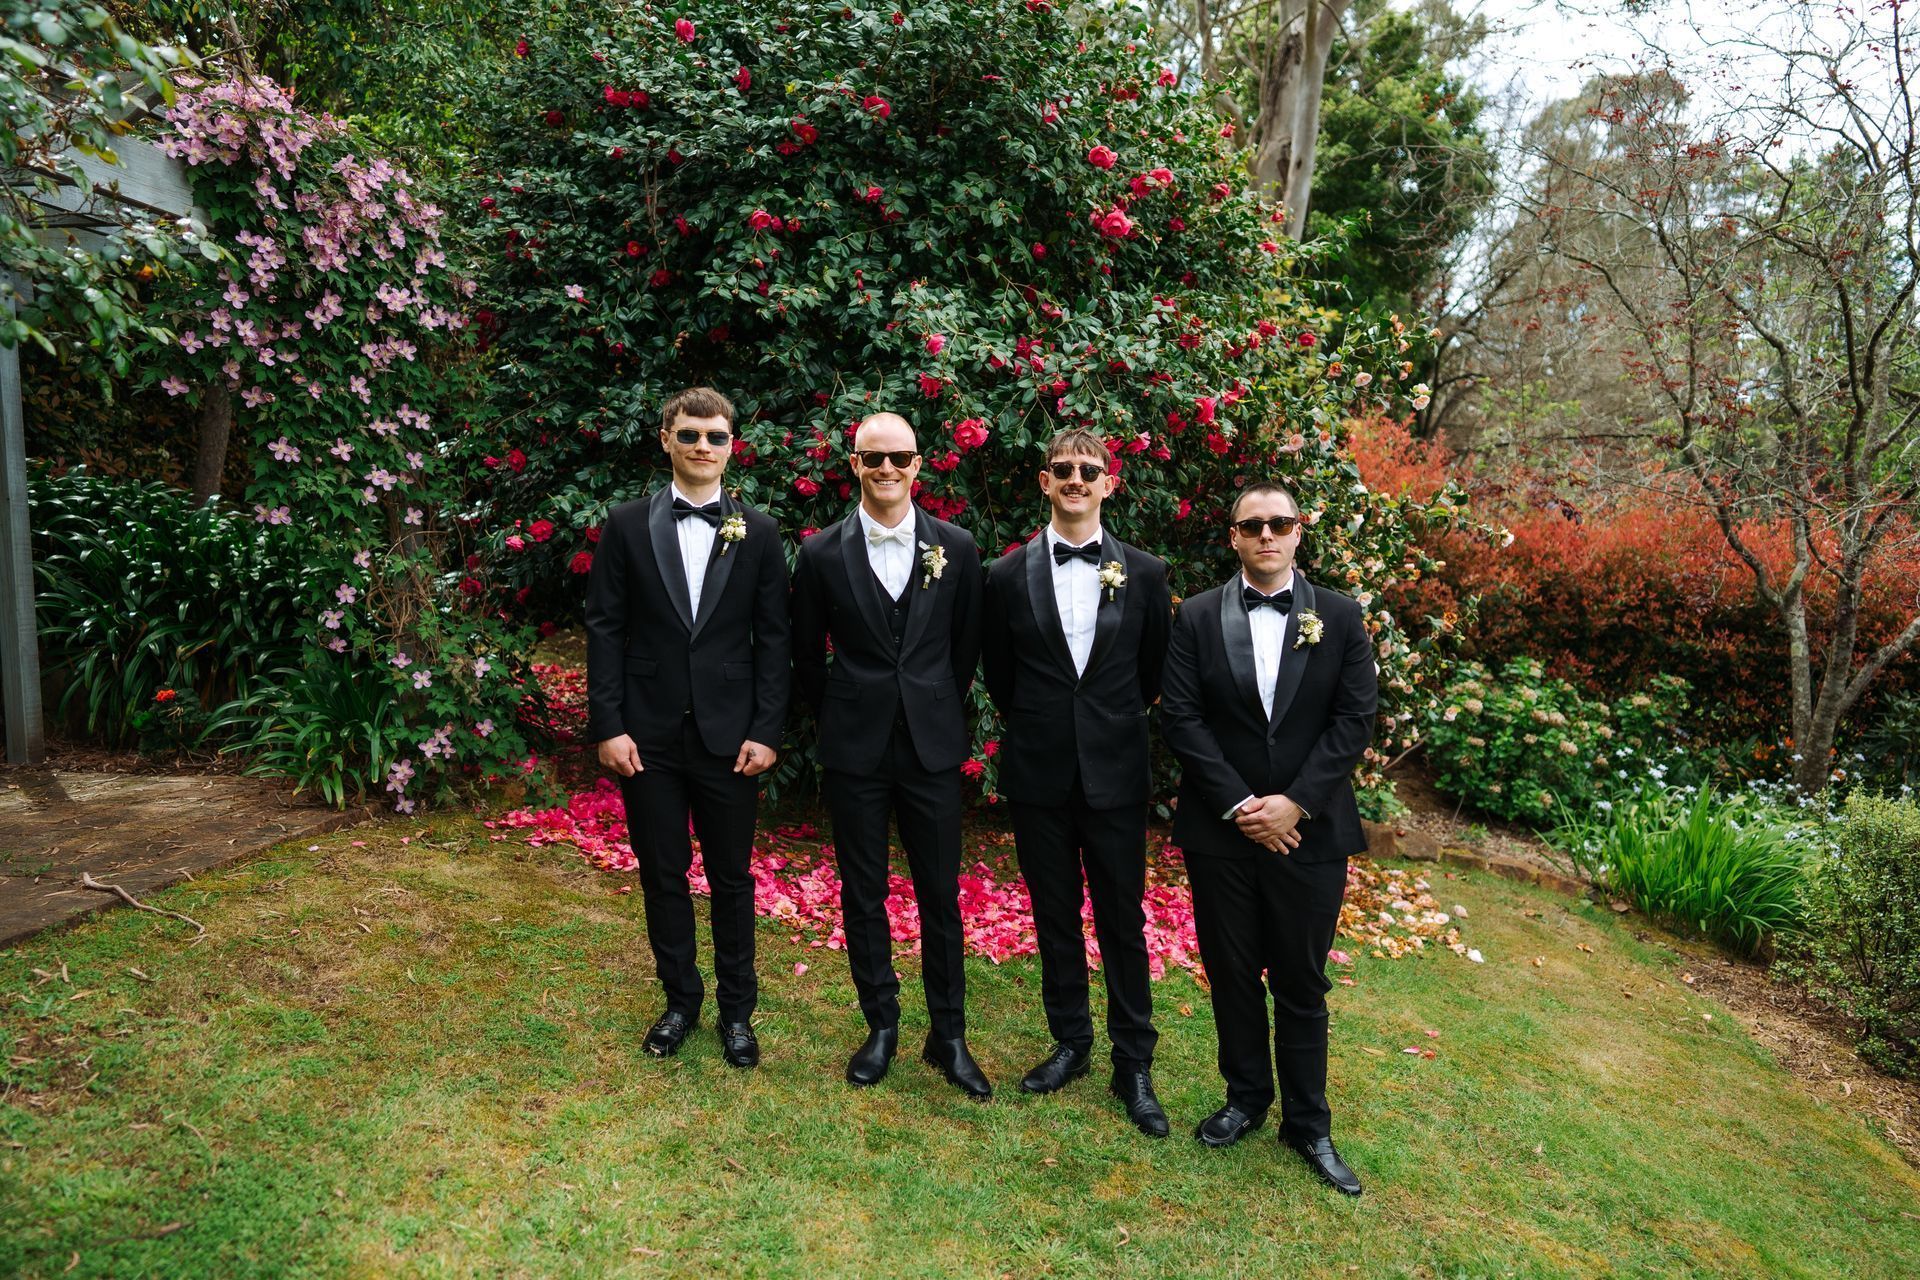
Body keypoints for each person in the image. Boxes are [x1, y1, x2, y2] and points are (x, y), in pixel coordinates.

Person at [1157, 481, 1378, 1196]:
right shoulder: (1193, 616)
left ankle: (1308, 1123)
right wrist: (1243, 804)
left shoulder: (1341, 618)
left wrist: (1296, 805)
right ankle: (1247, 1098)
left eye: (1280, 523)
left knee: (1301, 981)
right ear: (1233, 536)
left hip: (1310, 836)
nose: (1267, 535)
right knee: (1230, 972)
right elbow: (1182, 718)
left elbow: (1354, 719)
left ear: (1298, 531)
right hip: (1223, 833)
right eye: (1253, 525)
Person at [583, 387, 790, 1068]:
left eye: (716, 437)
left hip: (732, 739)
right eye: (691, 434)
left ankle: (738, 1012)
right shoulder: (626, 524)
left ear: (733, 446)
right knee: (662, 873)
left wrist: (766, 730)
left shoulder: (757, 533)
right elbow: (606, 628)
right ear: (667, 439)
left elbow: (774, 640)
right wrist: (609, 724)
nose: (704, 447)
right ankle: (680, 1001)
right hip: (647, 737)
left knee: (732, 879)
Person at [790, 412, 991, 1098]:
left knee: (940, 894)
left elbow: (964, 650)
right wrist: (850, 708)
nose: (885, 469)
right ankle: (880, 1026)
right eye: (872, 458)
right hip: (855, 747)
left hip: (931, 747)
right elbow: (807, 658)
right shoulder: (819, 554)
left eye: (898, 457)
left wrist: (929, 702)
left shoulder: (957, 548)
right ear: (853, 465)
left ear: (918, 465)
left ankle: (950, 1035)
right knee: (863, 891)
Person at [980, 429, 1173, 1137]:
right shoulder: (1003, 577)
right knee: (1054, 916)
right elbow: (1000, 673)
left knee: (1123, 921)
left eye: (1088, 470)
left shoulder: (1146, 573)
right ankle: (1072, 1043)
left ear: (1109, 482)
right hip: (1039, 774)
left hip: (1117, 777)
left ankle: (1134, 1062)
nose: (1075, 479)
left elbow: (1152, 674)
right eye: (1062, 469)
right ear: (1043, 480)